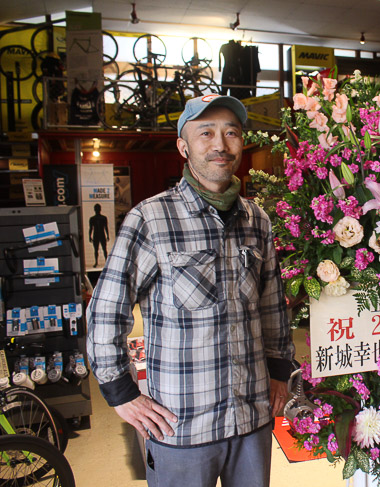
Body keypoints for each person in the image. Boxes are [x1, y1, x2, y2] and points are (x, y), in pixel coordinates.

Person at [86, 94, 295, 487]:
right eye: (206, 133)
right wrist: (122, 393)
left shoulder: (257, 221)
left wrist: (280, 370)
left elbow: (271, 307)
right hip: (181, 428)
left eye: (231, 132)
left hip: (252, 420)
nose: (220, 144)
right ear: (183, 147)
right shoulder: (150, 219)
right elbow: (104, 313)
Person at [88, 203, 109, 267]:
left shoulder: (103, 218)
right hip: (96, 235)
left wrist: (108, 235)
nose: (97, 210)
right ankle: (96, 262)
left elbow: (106, 227)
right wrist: (90, 236)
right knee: (96, 250)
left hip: (101, 234)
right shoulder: (92, 219)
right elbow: (91, 228)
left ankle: (106, 261)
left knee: (104, 249)